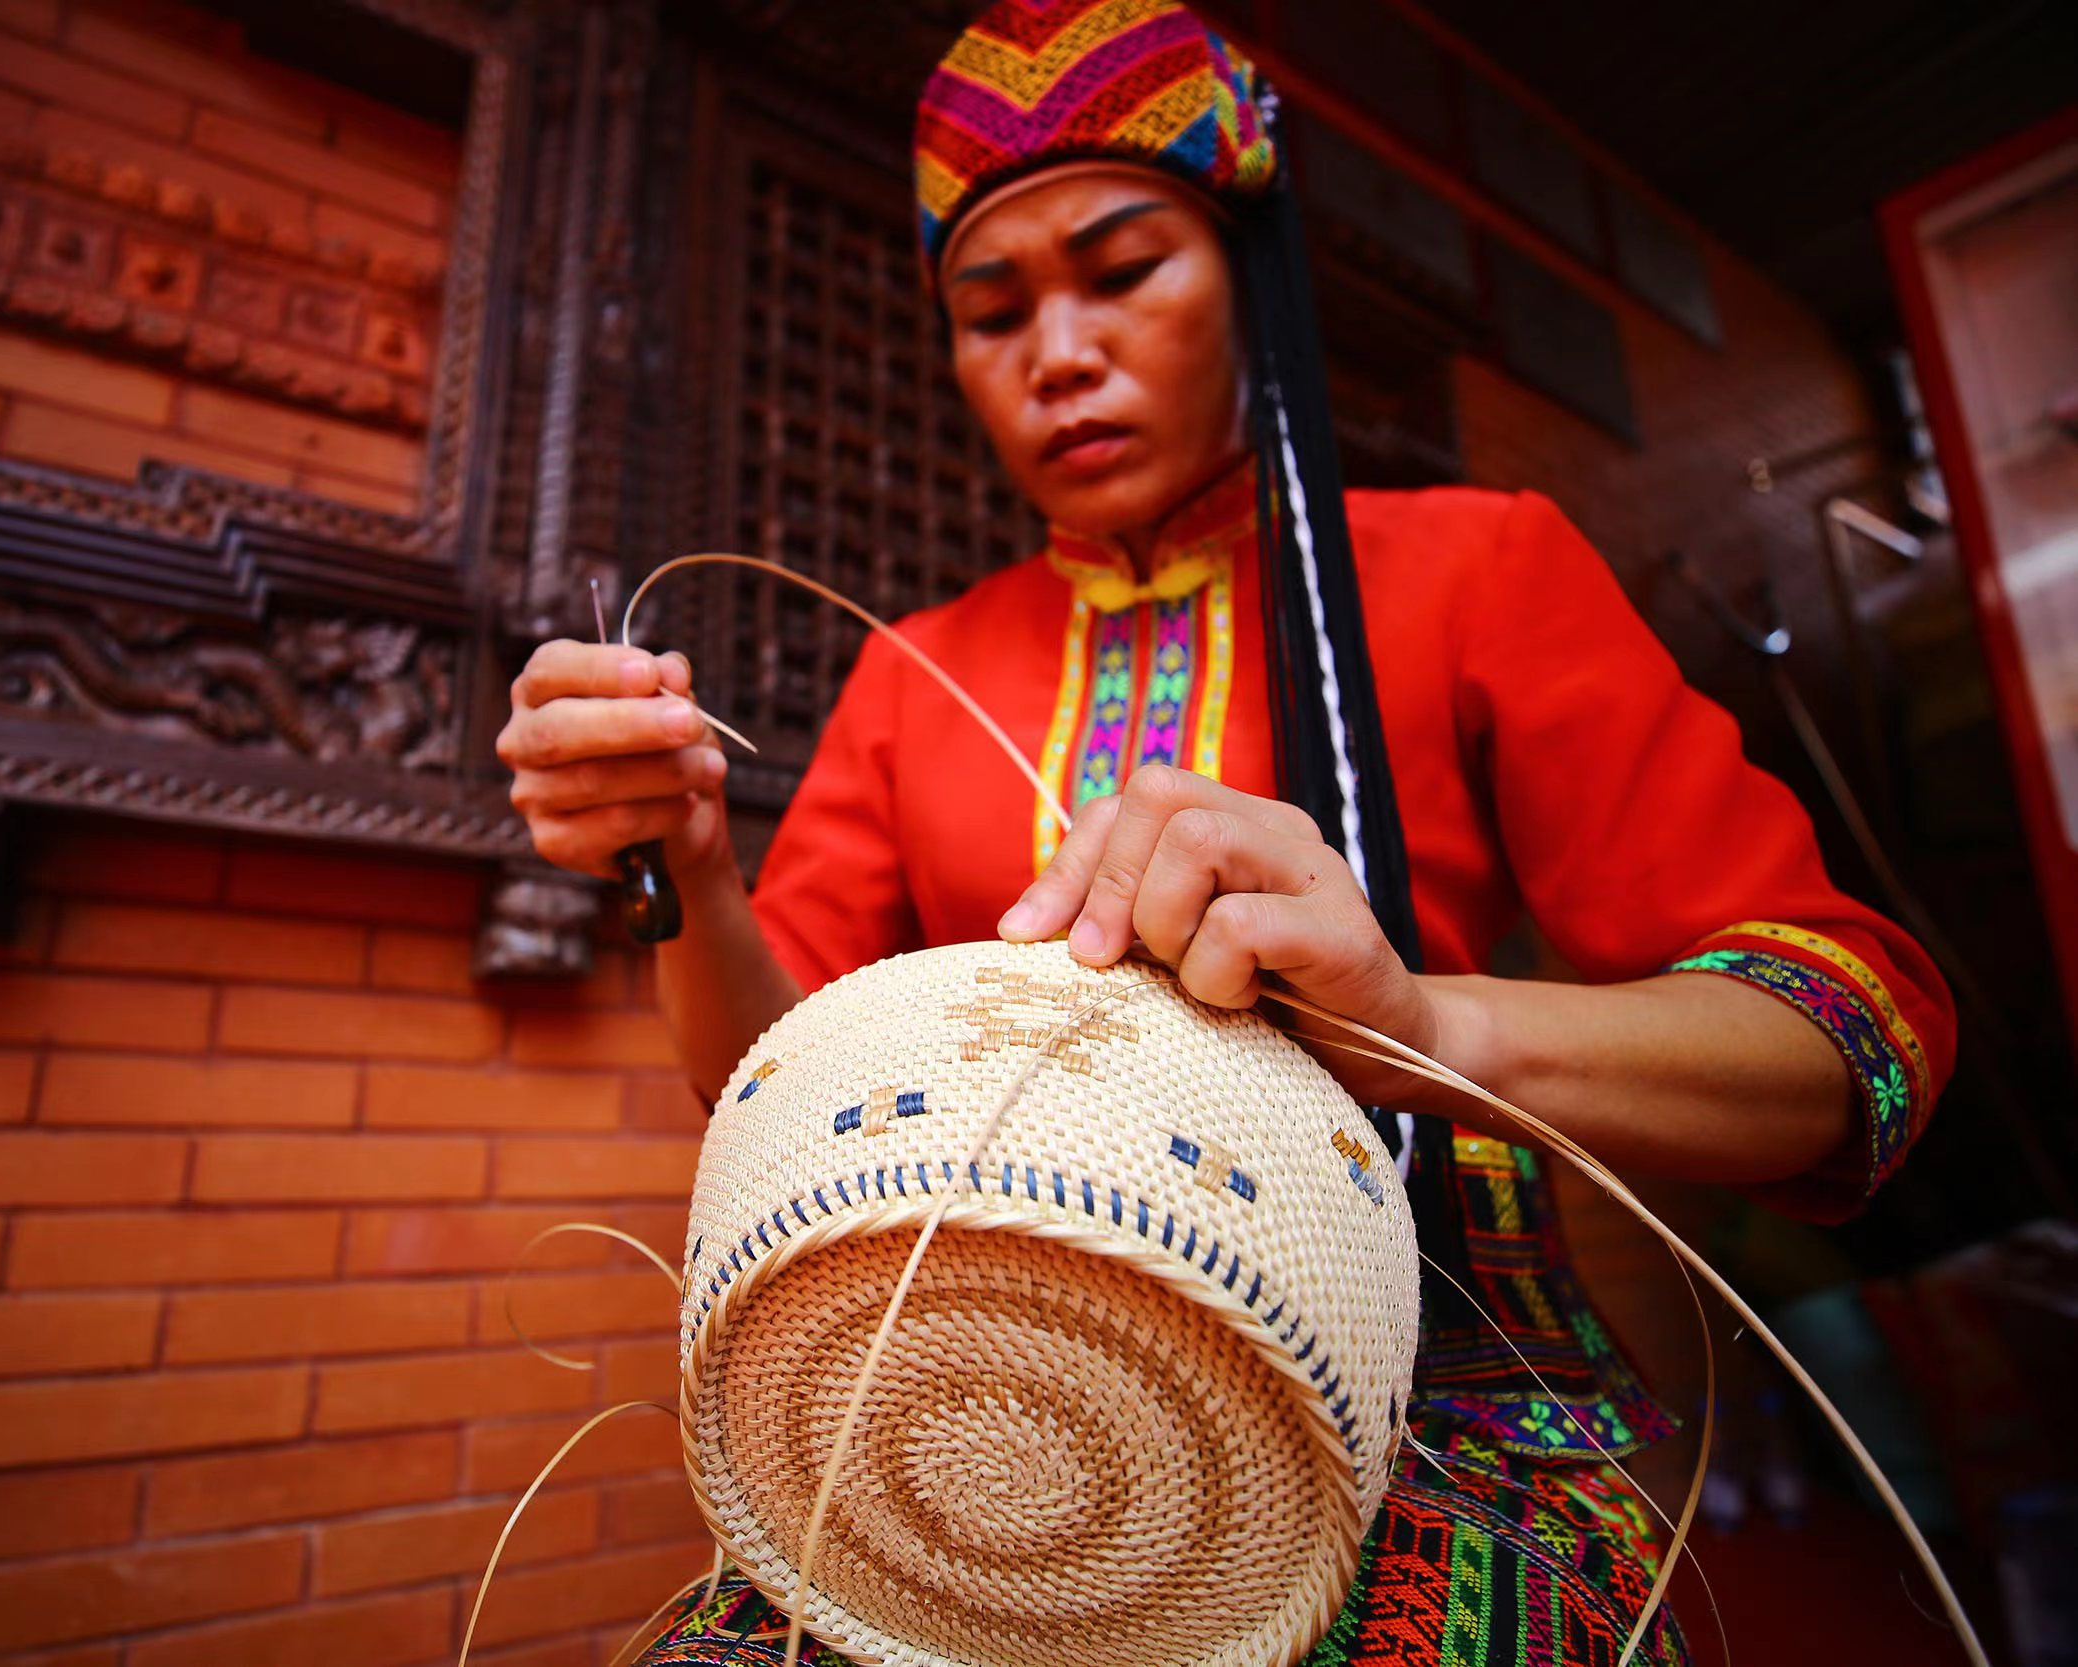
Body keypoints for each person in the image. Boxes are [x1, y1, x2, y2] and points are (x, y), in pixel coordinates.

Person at [495, 1, 1956, 1660]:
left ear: (1249, 280)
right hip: (994, 1390)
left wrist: (1423, 1027)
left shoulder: (1477, 564)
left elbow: (1853, 1046)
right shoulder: (917, 670)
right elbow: (750, 1068)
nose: (1057, 351)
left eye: (1124, 271)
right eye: (992, 310)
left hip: (1442, 1384)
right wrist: (681, 859)